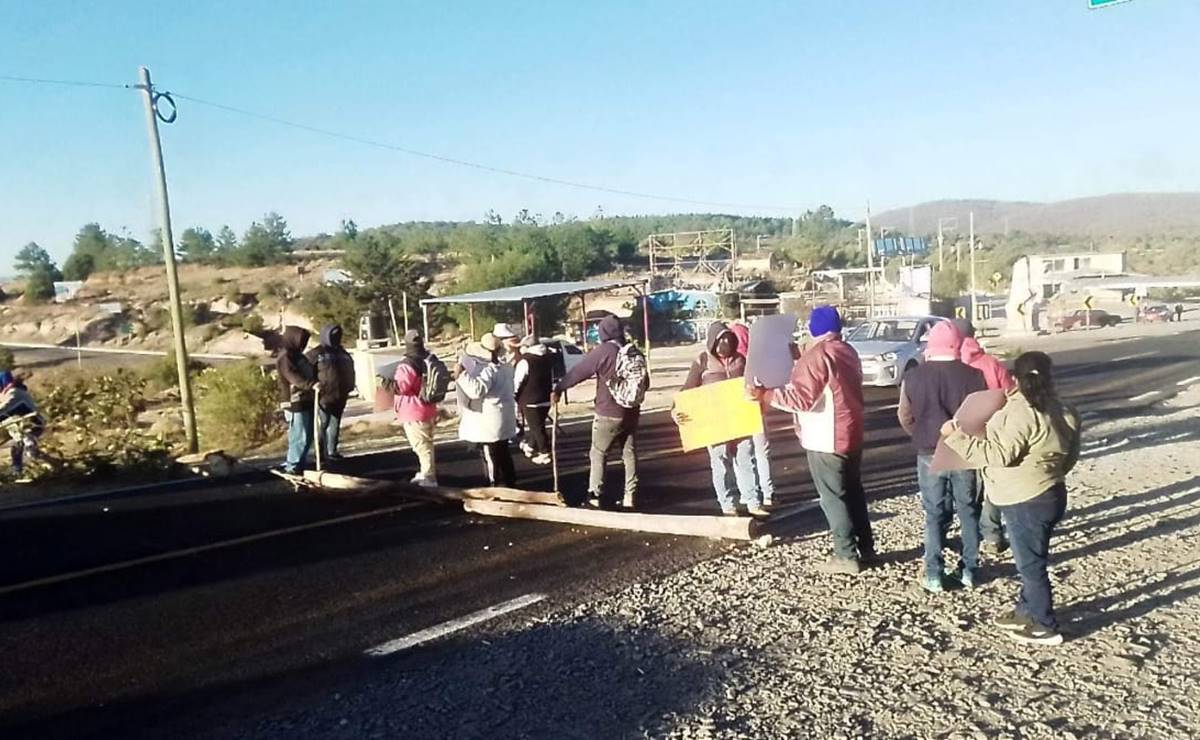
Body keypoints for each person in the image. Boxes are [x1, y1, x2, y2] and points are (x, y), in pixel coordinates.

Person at [942, 351, 1081, 646]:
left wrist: (954, 437)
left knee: (1031, 566)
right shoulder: (1064, 409)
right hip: (1052, 491)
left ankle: (1044, 624)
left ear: (1015, 378)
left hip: (1024, 498)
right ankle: (1025, 611)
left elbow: (998, 454)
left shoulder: (1022, 411)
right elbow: (1070, 458)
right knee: (1032, 559)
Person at [760, 306, 874, 574]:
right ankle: (866, 548)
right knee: (854, 493)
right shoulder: (847, 351)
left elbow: (802, 399)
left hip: (826, 438)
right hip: (852, 432)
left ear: (814, 328)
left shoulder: (817, 356)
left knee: (833, 497)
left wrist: (766, 394)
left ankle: (846, 555)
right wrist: (802, 358)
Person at [898, 321, 988, 592]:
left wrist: (921, 433)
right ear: (957, 344)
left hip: (928, 450)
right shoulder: (974, 376)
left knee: (934, 512)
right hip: (964, 450)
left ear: (930, 344)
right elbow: (981, 414)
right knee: (968, 509)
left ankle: (934, 573)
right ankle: (969, 569)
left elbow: (905, 415)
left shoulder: (913, 376)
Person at [552, 316, 649, 510]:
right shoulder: (632, 351)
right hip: (632, 411)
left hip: (608, 412)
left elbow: (579, 372)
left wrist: (559, 388)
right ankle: (631, 495)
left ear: (603, 332)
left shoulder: (603, 351)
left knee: (598, 453)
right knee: (629, 453)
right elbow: (646, 382)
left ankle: (595, 496)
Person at [673, 321, 767, 517]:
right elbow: (687, 389)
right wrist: (675, 410)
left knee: (745, 459)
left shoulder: (741, 360)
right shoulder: (702, 361)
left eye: (728, 338)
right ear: (712, 341)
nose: (724, 342)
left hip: (741, 420)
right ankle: (728, 505)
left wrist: (757, 392)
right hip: (716, 425)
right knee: (720, 462)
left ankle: (752, 502)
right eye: (720, 338)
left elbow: (755, 383)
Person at [957, 323, 1015, 553]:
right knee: (991, 482)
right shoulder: (991, 363)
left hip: (961, 432)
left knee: (965, 486)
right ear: (973, 336)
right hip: (992, 429)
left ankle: (968, 534)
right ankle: (992, 534)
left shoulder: (953, 364)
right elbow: (1010, 393)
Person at [456, 333, 518, 487]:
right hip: (505, 415)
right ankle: (510, 483)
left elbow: (476, 391)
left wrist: (461, 375)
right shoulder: (506, 367)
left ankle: (494, 486)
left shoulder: (488, 370)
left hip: (489, 420)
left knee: (491, 455)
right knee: (503, 452)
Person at [389, 330, 446, 488]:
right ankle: (426, 472)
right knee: (427, 442)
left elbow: (402, 388)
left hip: (413, 410)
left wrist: (385, 382)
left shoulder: (408, 364)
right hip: (429, 407)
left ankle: (429, 477)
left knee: (421, 445)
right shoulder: (429, 358)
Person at [729, 321, 776, 508]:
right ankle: (768, 493)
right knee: (762, 451)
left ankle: (747, 493)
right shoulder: (755, 360)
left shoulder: (732, 362)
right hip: (756, 410)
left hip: (737, 413)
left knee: (741, 454)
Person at [309, 324, 356, 462]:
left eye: (337, 335)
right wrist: (312, 386)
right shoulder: (317, 353)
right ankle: (320, 454)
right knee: (323, 423)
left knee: (335, 424)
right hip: (323, 396)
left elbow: (351, 370)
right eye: (333, 335)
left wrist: (350, 386)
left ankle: (332, 451)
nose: (336, 337)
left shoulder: (343, 353)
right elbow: (306, 369)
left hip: (340, 395)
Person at [276, 326, 317, 475]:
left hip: (307, 398)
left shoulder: (299, 356)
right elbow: (293, 376)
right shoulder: (285, 357)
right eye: (301, 341)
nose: (303, 344)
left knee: (308, 435)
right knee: (299, 435)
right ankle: (292, 466)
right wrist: (311, 384)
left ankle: (300, 463)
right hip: (294, 401)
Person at [515, 335, 554, 465]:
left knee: (537, 428)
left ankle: (544, 453)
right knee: (537, 425)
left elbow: (518, 381)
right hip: (546, 398)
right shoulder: (547, 358)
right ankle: (530, 446)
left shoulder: (525, 361)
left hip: (530, 399)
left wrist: (514, 394)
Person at [0, 370, 45, 480]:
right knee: (17, 444)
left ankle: (34, 466)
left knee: (26, 444)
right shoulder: (11, 392)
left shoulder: (14, 393)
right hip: (20, 425)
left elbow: (4, 409)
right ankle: (18, 469)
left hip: (33, 424)